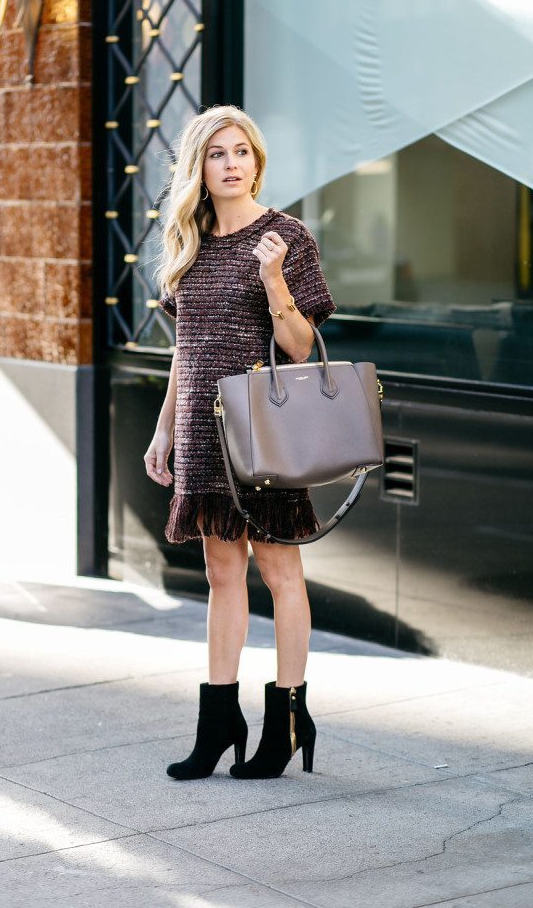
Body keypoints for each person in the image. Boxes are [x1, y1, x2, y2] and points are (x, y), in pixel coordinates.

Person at [145, 105, 337, 780]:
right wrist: (166, 425)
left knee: (278, 571)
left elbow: (301, 346)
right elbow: (185, 346)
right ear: (198, 166)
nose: (232, 164)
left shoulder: (285, 236)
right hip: (203, 427)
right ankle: (219, 719)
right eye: (217, 154)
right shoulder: (189, 240)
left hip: (263, 429)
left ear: (257, 161)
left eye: (242, 152)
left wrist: (275, 281)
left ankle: (287, 718)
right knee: (220, 572)